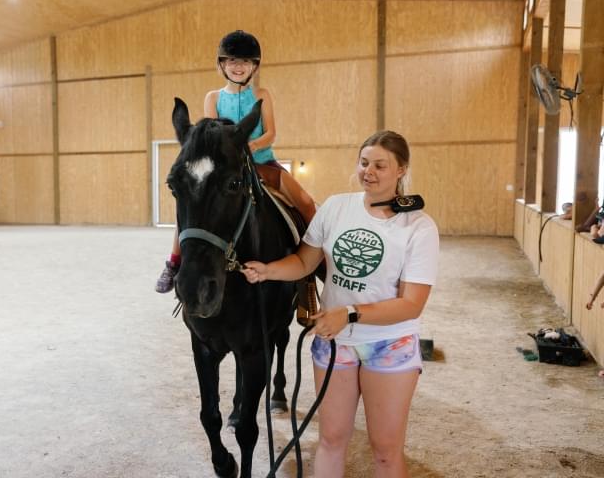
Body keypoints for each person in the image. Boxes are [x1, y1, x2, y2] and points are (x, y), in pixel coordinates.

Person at [241, 130, 439, 477]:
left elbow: (411, 305)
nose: (369, 172)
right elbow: (304, 262)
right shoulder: (336, 207)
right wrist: (268, 270)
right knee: (331, 439)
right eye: (364, 163)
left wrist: (349, 314)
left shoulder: (418, 226)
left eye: (380, 165)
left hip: (389, 343)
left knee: (385, 450)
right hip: (335, 344)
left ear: (401, 170)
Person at [155, 30, 317, 293]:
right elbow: (211, 134)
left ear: (254, 66)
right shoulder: (213, 98)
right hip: (227, 168)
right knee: (193, 208)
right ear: (222, 65)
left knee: (307, 204)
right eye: (232, 61)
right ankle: (174, 262)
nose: (238, 67)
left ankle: (313, 265)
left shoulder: (262, 94)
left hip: (265, 165)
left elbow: (271, 133)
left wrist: (250, 145)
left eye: (244, 62)